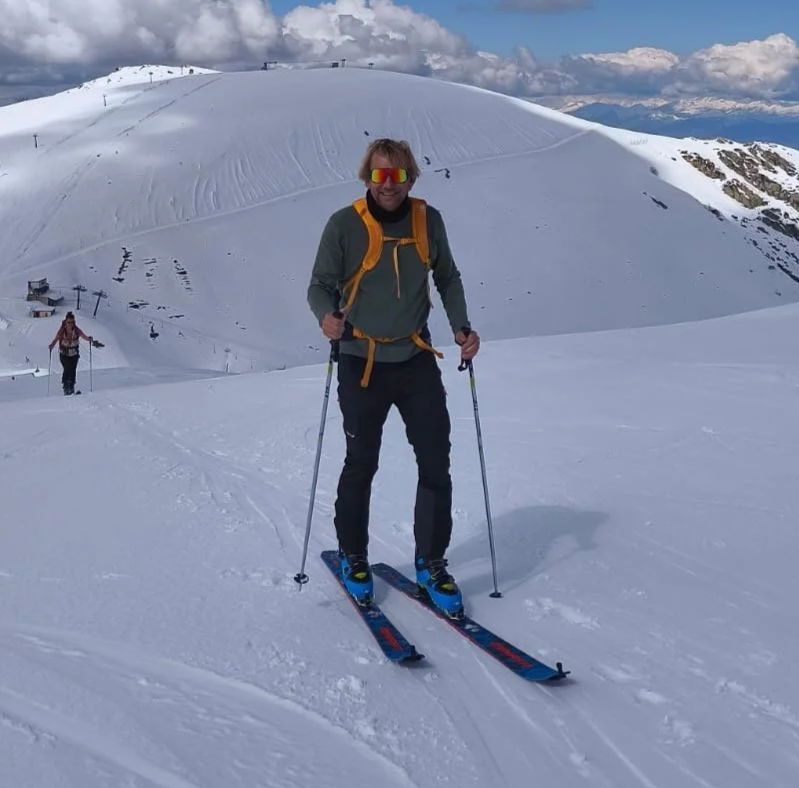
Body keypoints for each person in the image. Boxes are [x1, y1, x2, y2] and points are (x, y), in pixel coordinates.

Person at [307, 138, 480, 618]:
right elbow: (320, 284)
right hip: (360, 360)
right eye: (381, 176)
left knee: (435, 460)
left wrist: (461, 326)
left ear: (410, 178)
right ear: (367, 177)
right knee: (361, 461)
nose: (389, 186)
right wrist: (326, 316)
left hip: (415, 357)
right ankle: (353, 555)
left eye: (398, 177)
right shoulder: (344, 225)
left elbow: (447, 276)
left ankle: (432, 562)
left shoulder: (429, 221)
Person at [48, 311, 98, 395]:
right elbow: (56, 338)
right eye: (68, 322)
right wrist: (52, 345)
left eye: (72, 322)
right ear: (66, 322)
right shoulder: (62, 330)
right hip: (64, 354)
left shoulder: (76, 330)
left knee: (73, 369)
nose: (70, 324)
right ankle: (66, 387)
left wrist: (89, 339)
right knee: (67, 368)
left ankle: (71, 387)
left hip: (74, 354)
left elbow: (83, 336)